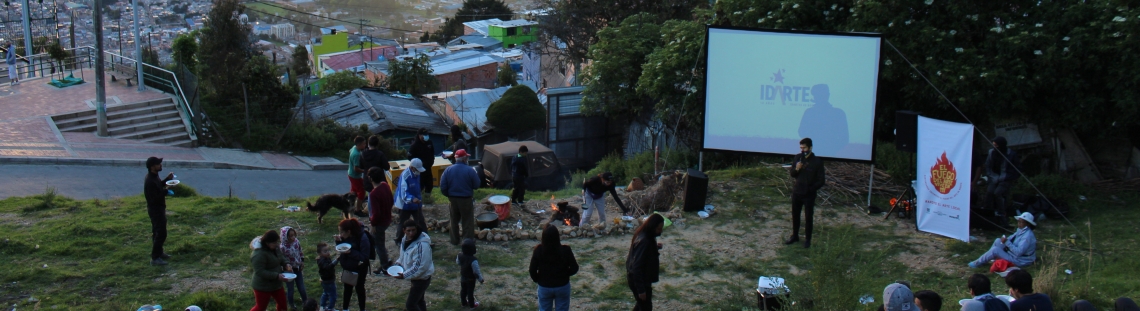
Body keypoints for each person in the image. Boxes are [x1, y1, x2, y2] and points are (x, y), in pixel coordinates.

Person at [785, 138, 825, 248]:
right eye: (801, 148)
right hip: (797, 192)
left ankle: (807, 239)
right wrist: (797, 169)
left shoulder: (817, 162)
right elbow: (792, 174)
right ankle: (795, 236)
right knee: (795, 214)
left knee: (808, 217)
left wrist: (811, 189)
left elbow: (821, 180)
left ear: (810, 147)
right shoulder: (798, 158)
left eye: (805, 148)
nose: (803, 150)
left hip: (809, 194)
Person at [529, 225, 579, 311]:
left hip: (545, 286)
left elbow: (532, 270)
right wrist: (565, 274)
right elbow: (575, 268)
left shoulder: (538, 250)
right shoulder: (566, 250)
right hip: (562, 285)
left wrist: (538, 279)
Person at [440, 149, 480, 245]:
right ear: (464, 158)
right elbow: (477, 185)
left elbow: (443, 186)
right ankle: (467, 241)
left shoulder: (448, 170)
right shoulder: (470, 170)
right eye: (466, 157)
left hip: (453, 199)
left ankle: (454, 241)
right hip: (466, 199)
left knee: (454, 220)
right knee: (467, 221)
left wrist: (449, 195)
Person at [969, 212, 1037, 269]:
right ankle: (989, 258)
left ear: (1028, 224)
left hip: (1020, 260)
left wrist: (1007, 242)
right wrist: (1005, 239)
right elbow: (1012, 238)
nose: (1018, 223)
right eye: (1018, 221)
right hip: (1015, 255)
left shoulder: (1027, 237)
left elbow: (1019, 252)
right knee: (998, 241)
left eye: (1021, 222)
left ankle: (977, 263)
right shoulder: (1022, 230)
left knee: (995, 250)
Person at [394, 219, 435, 311]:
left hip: (422, 279)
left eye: (413, 230)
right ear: (404, 230)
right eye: (408, 231)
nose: (411, 233)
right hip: (416, 278)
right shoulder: (405, 239)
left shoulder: (422, 245)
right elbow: (403, 256)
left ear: (417, 229)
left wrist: (404, 275)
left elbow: (420, 267)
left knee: (411, 305)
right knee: (419, 301)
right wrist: (397, 264)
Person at [627, 213, 665, 311]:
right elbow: (636, 267)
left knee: (642, 306)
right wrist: (641, 290)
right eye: (659, 228)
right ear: (653, 227)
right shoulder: (645, 241)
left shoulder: (645, 235)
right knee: (646, 307)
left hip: (641, 279)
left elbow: (643, 254)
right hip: (639, 281)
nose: (661, 231)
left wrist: (654, 247)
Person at [798, 84, 848, 157]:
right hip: (812, 153)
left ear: (828, 95)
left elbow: (844, 137)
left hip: (831, 153)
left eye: (822, 95)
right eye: (817, 95)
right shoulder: (809, 112)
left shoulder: (839, 113)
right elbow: (801, 131)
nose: (819, 97)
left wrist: (833, 148)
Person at [143, 156, 174, 265]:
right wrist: (166, 191)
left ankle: (159, 253)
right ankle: (155, 258)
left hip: (159, 208)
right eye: (158, 164)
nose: (160, 165)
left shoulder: (154, 177)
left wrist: (167, 179)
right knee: (161, 233)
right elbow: (154, 198)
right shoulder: (150, 181)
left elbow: (159, 186)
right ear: (152, 167)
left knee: (157, 232)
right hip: (156, 210)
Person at [334, 219, 370, 311]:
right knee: (347, 288)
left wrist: (350, 252)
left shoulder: (363, 238)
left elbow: (365, 257)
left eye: (342, 232)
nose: (340, 234)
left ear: (349, 231)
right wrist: (338, 241)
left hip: (360, 268)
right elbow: (343, 246)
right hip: (348, 267)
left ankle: (362, 309)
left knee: (360, 289)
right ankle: (345, 308)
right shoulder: (347, 236)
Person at [250, 230, 291, 311]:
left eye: (277, 242)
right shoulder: (258, 254)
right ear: (267, 243)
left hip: (276, 284)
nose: (277, 245)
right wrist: (276, 276)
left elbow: (281, 257)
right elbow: (260, 271)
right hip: (262, 286)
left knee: (283, 305)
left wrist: (286, 264)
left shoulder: (275, 247)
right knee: (261, 308)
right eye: (274, 243)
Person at [984, 136, 1021, 225]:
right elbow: (987, 166)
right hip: (994, 177)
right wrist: (991, 176)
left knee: (998, 193)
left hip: (1005, 178)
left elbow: (1017, 169)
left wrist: (1009, 177)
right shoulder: (991, 152)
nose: (995, 147)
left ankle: (1002, 213)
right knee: (989, 192)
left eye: (996, 145)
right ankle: (988, 212)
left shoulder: (1011, 154)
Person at [394, 158, 428, 245]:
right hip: (405, 204)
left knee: (420, 221)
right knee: (403, 222)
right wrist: (412, 199)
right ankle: (399, 240)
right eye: (417, 169)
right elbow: (403, 193)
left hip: (416, 203)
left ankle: (424, 238)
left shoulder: (417, 174)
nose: (419, 171)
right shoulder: (405, 176)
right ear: (412, 168)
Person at [367, 167, 394, 275]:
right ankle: (385, 261)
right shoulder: (385, 185)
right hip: (387, 219)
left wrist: (373, 224)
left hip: (379, 223)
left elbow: (376, 213)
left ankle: (385, 266)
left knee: (379, 245)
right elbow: (391, 201)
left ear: (370, 178)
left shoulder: (374, 194)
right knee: (379, 242)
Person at [279, 226, 308, 310]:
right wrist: (285, 267)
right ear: (285, 237)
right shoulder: (282, 247)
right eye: (290, 236)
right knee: (290, 289)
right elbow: (281, 259)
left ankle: (306, 302)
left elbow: (300, 251)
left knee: (301, 287)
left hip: (297, 268)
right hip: (288, 272)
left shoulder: (296, 242)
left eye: (293, 235)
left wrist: (302, 261)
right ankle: (291, 304)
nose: (293, 237)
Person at [456, 238, 485, 309]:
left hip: (463, 276)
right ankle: (472, 305)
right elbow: (476, 271)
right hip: (471, 279)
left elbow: (458, 262)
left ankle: (463, 303)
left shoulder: (460, 255)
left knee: (463, 291)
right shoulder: (473, 260)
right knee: (470, 292)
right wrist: (481, 279)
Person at [409, 128, 436, 197]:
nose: (426, 136)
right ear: (419, 135)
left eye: (426, 134)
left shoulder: (429, 143)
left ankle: (427, 196)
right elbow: (410, 157)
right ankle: (419, 198)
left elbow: (432, 153)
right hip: (419, 170)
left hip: (428, 168)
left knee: (429, 184)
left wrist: (432, 161)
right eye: (424, 135)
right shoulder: (414, 145)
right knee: (420, 185)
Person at [314, 242, 339, 311]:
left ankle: (322, 306)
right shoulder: (322, 261)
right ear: (320, 253)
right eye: (325, 251)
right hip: (329, 281)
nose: (328, 252)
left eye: (328, 250)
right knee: (333, 295)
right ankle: (330, 308)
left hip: (325, 280)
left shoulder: (324, 259)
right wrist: (335, 261)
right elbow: (328, 267)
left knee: (325, 293)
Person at [347, 136, 368, 216]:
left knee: (354, 190)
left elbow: (349, 151)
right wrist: (365, 171)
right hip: (355, 176)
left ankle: (351, 204)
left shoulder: (354, 148)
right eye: (363, 144)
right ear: (359, 144)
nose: (365, 145)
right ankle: (357, 209)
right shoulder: (357, 155)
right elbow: (356, 168)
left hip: (350, 173)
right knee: (362, 192)